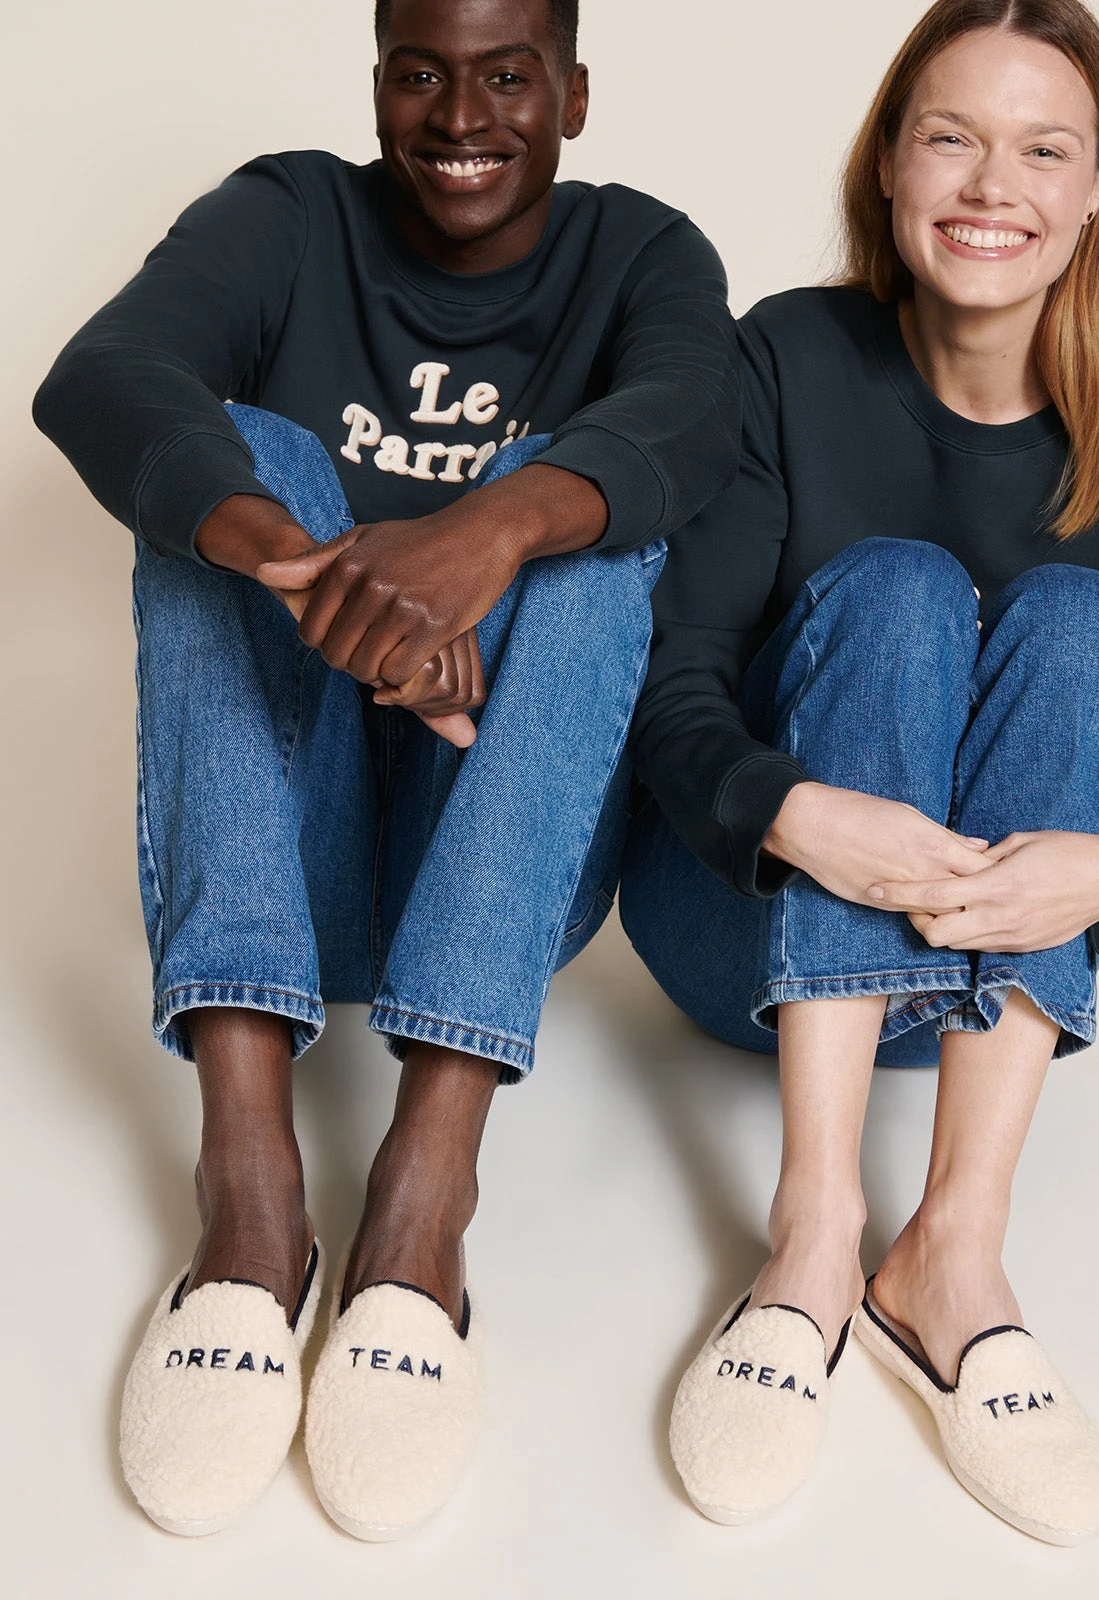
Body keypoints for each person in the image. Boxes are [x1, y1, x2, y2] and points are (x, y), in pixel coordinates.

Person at [32, 0, 738, 1541]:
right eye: (421, 72)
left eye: (507, 76)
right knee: (229, 461)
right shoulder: (290, 214)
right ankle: (248, 1192)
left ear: (573, 92)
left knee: (587, 513)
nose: (460, 116)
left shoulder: (642, 251)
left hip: (500, 856)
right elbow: (99, 376)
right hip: (291, 856)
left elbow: (698, 420)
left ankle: (426, 1194)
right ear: (376, 84)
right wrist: (317, 579)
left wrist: (484, 538)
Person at [620, 0, 1099, 1544]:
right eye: (951, 137)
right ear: (890, 163)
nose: (991, 186)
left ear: (1098, 190)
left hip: (992, 978)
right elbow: (675, 693)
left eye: (1043, 150)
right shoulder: (783, 357)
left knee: (1087, 619)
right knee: (898, 586)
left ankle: (954, 1248)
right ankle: (815, 1229)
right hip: (748, 943)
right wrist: (805, 817)